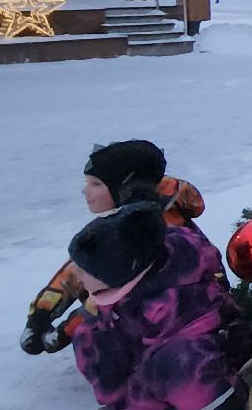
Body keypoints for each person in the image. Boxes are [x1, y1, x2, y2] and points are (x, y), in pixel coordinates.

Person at [68, 201, 252, 410]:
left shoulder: (175, 300)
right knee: (90, 336)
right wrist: (121, 409)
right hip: (153, 355)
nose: (76, 275)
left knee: (182, 363)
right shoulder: (126, 283)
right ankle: (136, 403)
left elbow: (160, 362)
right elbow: (110, 340)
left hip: (207, 354)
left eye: (84, 271)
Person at [20, 141, 214, 356]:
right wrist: (39, 316)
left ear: (124, 188)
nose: (85, 191)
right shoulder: (125, 225)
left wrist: (67, 330)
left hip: (175, 340)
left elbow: (116, 297)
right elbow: (80, 269)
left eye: (95, 184)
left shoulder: (152, 235)